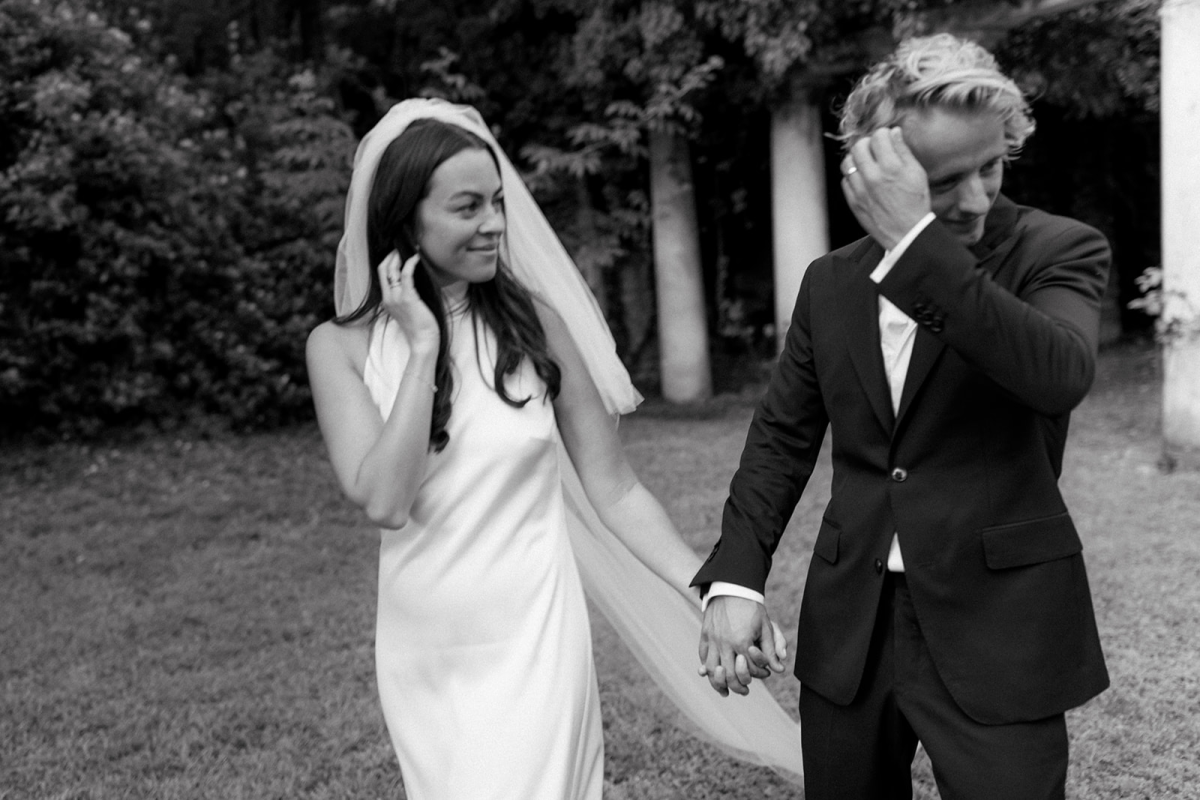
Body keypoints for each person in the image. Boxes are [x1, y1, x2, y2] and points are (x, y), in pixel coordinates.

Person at [306, 98, 803, 799]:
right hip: (426, 649)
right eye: (468, 207)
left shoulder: (535, 325)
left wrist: (712, 589)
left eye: (498, 203)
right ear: (406, 218)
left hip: (534, 635)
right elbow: (386, 501)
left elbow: (616, 490)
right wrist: (421, 348)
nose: (495, 224)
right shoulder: (339, 348)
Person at [693, 33, 1111, 799]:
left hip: (998, 624)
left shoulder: (1057, 249)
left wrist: (917, 243)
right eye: (946, 180)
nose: (976, 199)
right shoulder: (829, 282)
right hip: (851, 628)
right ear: (875, 167)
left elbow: (1057, 375)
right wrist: (737, 579)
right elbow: (782, 436)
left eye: (991, 167)